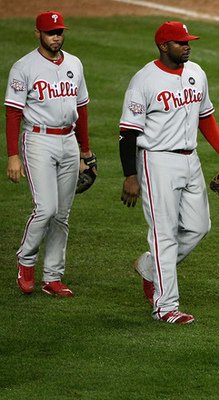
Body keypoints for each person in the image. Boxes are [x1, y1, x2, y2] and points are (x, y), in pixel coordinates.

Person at [118, 21, 219, 324]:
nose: (187, 46)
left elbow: (206, 117)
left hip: (190, 159)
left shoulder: (197, 73)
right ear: (163, 46)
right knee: (164, 235)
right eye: (180, 42)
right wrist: (130, 175)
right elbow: (127, 133)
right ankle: (165, 306)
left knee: (199, 227)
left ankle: (150, 267)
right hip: (156, 161)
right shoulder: (143, 81)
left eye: (188, 42)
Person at [5, 11, 95, 297]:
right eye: (50, 33)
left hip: (68, 141)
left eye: (59, 32)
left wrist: (85, 150)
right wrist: (12, 156)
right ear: (38, 34)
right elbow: (12, 113)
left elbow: (81, 109)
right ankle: (26, 260)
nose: (56, 37)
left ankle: (52, 277)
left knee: (62, 215)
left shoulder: (75, 63)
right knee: (46, 209)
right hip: (38, 140)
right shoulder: (24, 67)